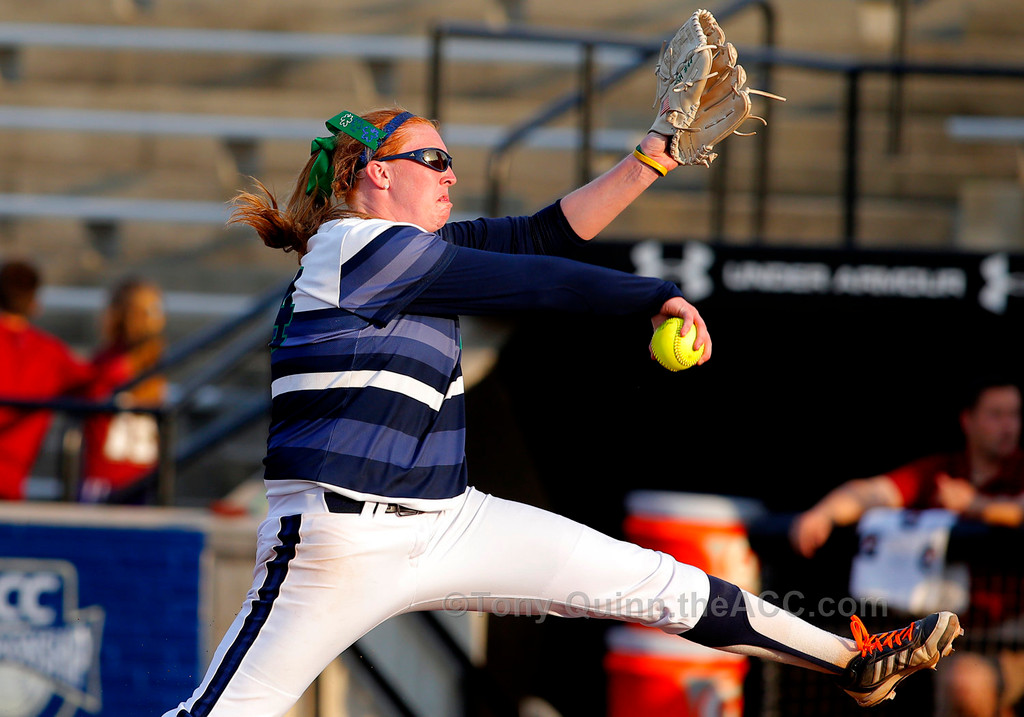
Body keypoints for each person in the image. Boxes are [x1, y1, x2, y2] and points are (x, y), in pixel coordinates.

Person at [163, 107, 961, 716]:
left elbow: (546, 235)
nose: (449, 173)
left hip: (446, 519)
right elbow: (539, 284)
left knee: (663, 586)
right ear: (374, 172)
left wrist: (655, 155)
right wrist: (653, 295)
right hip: (335, 540)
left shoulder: (419, 255)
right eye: (431, 159)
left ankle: (851, 662)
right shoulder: (355, 248)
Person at [790, 376, 1024, 716]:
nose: (1009, 426)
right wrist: (823, 514)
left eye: (1014, 415)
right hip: (944, 635)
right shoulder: (942, 472)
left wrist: (975, 506)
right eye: (997, 414)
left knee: (967, 682)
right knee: (848, 665)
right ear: (967, 420)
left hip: (1012, 638)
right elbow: (874, 492)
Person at [0, 260, 98, 500]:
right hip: (11, 485)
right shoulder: (49, 354)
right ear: (34, 303)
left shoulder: (50, 354)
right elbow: (97, 386)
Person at [79, 278, 167, 504]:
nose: (152, 320)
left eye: (154, 311)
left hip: (143, 479)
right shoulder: (108, 365)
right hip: (107, 480)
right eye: (143, 312)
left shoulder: (155, 367)